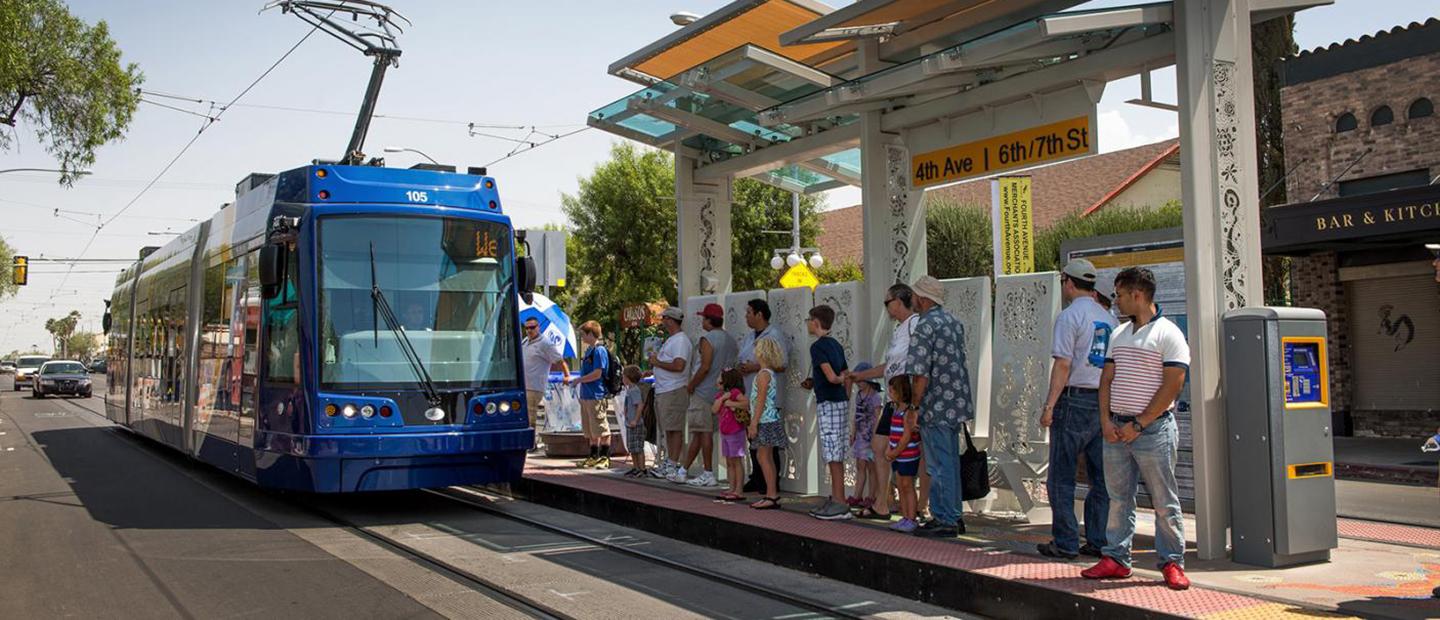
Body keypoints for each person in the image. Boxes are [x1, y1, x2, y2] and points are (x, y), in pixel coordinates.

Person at [1082, 267, 1191, 591]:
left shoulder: (1168, 334)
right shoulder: (1118, 334)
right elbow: (1107, 380)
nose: (1115, 301)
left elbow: (1174, 384)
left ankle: (1172, 562)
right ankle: (1116, 558)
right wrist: (1105, 420)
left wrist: (1140, 424)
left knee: (1163, 500)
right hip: (1116, 429)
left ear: (1137, 295)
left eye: (1119, 294)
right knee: (1118, 498)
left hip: (1153, 431)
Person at [1037, 259, 1116, 560]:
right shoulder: (1109, 319)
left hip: (1073, 399)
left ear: (1069, 283)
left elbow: (1063, 364)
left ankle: (1066, 541)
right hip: (1103, 401)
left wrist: (1049, 406)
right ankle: (1097, 539)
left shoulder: (1069, 317)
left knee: (1061, 475)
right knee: (1100, 477)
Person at [905, 275, 974, 538]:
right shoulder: (953, 323)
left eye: (914, 295)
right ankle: (954, 515)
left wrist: (914, 406)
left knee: (937, 465)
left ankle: (944, 518)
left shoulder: (924, 326)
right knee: (950, 462)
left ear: (922, 298)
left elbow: (921, 373)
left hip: (935, 405)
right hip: (956, 401)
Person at [848, 283, 920, 521]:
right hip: (893, 399)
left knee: (913, 454)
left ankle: (919, 505)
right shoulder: (900, 330)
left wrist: (915, 400)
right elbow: (889, 367)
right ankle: (882, 502)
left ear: (899, 302)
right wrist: (860, 375)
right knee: (879, 448)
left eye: (887, 302)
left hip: (907, 401)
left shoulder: (916, 326)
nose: (886, 308)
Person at [675, 303, 738, 487]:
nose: (702, 321)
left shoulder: (707, 339)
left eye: (704, 318)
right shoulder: (730, 340)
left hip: (703, 391)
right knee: (699, 433)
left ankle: (708, 472)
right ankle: (683, 470)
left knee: (703, 432)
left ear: (709, 321)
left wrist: (692, 384)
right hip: (720, 392)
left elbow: (705, 366)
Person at [802, 304, 851, 520]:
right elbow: (845, 373)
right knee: (836, 451)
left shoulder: (818, 347)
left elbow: (832, 376)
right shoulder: (837, 345)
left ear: (815, 322)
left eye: (809, 320)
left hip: (828, 403)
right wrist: (846, 394)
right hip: (839, 402)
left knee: (832, 452)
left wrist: (836, 382)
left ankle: (839, 501)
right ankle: (838, 497)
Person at [736, 299, 790, 494]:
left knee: (767, 448)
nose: (746, 316)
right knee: (756, 446)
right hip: (750, 394)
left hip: (767, 406)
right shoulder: (749, 336)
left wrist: (755, 367)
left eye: (749, 312)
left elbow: (781, 362)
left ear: (759, 314)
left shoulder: (774, 335)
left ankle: (771, 486)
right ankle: (758, 479)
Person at [650, 307, 692, 478]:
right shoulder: (672, 340)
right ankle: (670, 460)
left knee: (674, 428)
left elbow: (679, 365)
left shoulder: (680, 341)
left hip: (674, 390)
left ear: (670, 320)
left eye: (664, 318)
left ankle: (673, 463)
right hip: (665, 389)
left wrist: (657, 362)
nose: (662, 322)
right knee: (669, 428)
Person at [747, 338, 787, 510]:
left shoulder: (763, 374)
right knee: (766, 456)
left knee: (763, 457)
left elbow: (761, 400)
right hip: (770, 419)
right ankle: (771, 493)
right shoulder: (769, 373)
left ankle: (771, 494)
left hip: (765, 420)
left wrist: (753, 422)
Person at [521, 317, 570, 449]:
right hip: (523, 385)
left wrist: (566, 375)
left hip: (534, 385)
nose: (529, 330)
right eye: (527, 328)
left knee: (530, 415)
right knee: (524, 416)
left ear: (538, 327)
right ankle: (527, 441)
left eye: (532, 327)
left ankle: (531, 443)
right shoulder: (525, 341)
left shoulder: (545, 343)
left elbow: (559, 360)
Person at [886, 375, 923, 533]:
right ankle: (905, 516)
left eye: (892, 390)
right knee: (900, 485)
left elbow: (906, 437)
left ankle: (912, 517)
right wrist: (890, 449)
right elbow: (893, 433)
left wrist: (894, 452)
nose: (890, 393)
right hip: (898, 455)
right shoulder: (895, 410)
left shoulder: (908, 412)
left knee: (908, 485)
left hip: (907, 455)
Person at [576, 321, 612, 469]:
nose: (582, 338)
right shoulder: (589, 350)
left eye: (583, 334)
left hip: (596, 394)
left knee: (601, 427)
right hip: (586, 395)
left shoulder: (599, 350)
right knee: (590, 429)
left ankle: (605, 456)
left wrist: (579, 380)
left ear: (591, 334)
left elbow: (597, 373)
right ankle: (593, 455)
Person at [849, 361, 882, 510]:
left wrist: (875, 435)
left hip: (871, 436)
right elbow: (856, 415)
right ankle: (857, 495)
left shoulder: (875, 397)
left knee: (871, 467)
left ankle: (871, 496)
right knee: (860, 465)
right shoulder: (859, 396)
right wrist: (853, 432)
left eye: (861, 380)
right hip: (861, 436)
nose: (859, 384)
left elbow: (877, 417)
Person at [712, 368, 749, 501]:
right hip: (725, 433)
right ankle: (731, 487)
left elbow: (745, 403)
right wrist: (722, 399)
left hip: (735, 432)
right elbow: (714, 409)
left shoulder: (735, 393)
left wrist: (731, 402)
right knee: (729, 461)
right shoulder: (720, 395)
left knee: (736, 460)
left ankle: (739, 490)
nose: (717, 380)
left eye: (719, 377)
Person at [621, 365, 648, 477]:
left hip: (635, 424)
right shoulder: (629, 390)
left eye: (623, 376)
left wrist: (635, 420)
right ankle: (636, 467)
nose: (622, 379)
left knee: (638, 447)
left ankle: (642, 468)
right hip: (629, 423)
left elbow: (639, 405)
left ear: (628, 378)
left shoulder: (634, 391)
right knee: (632, 447)